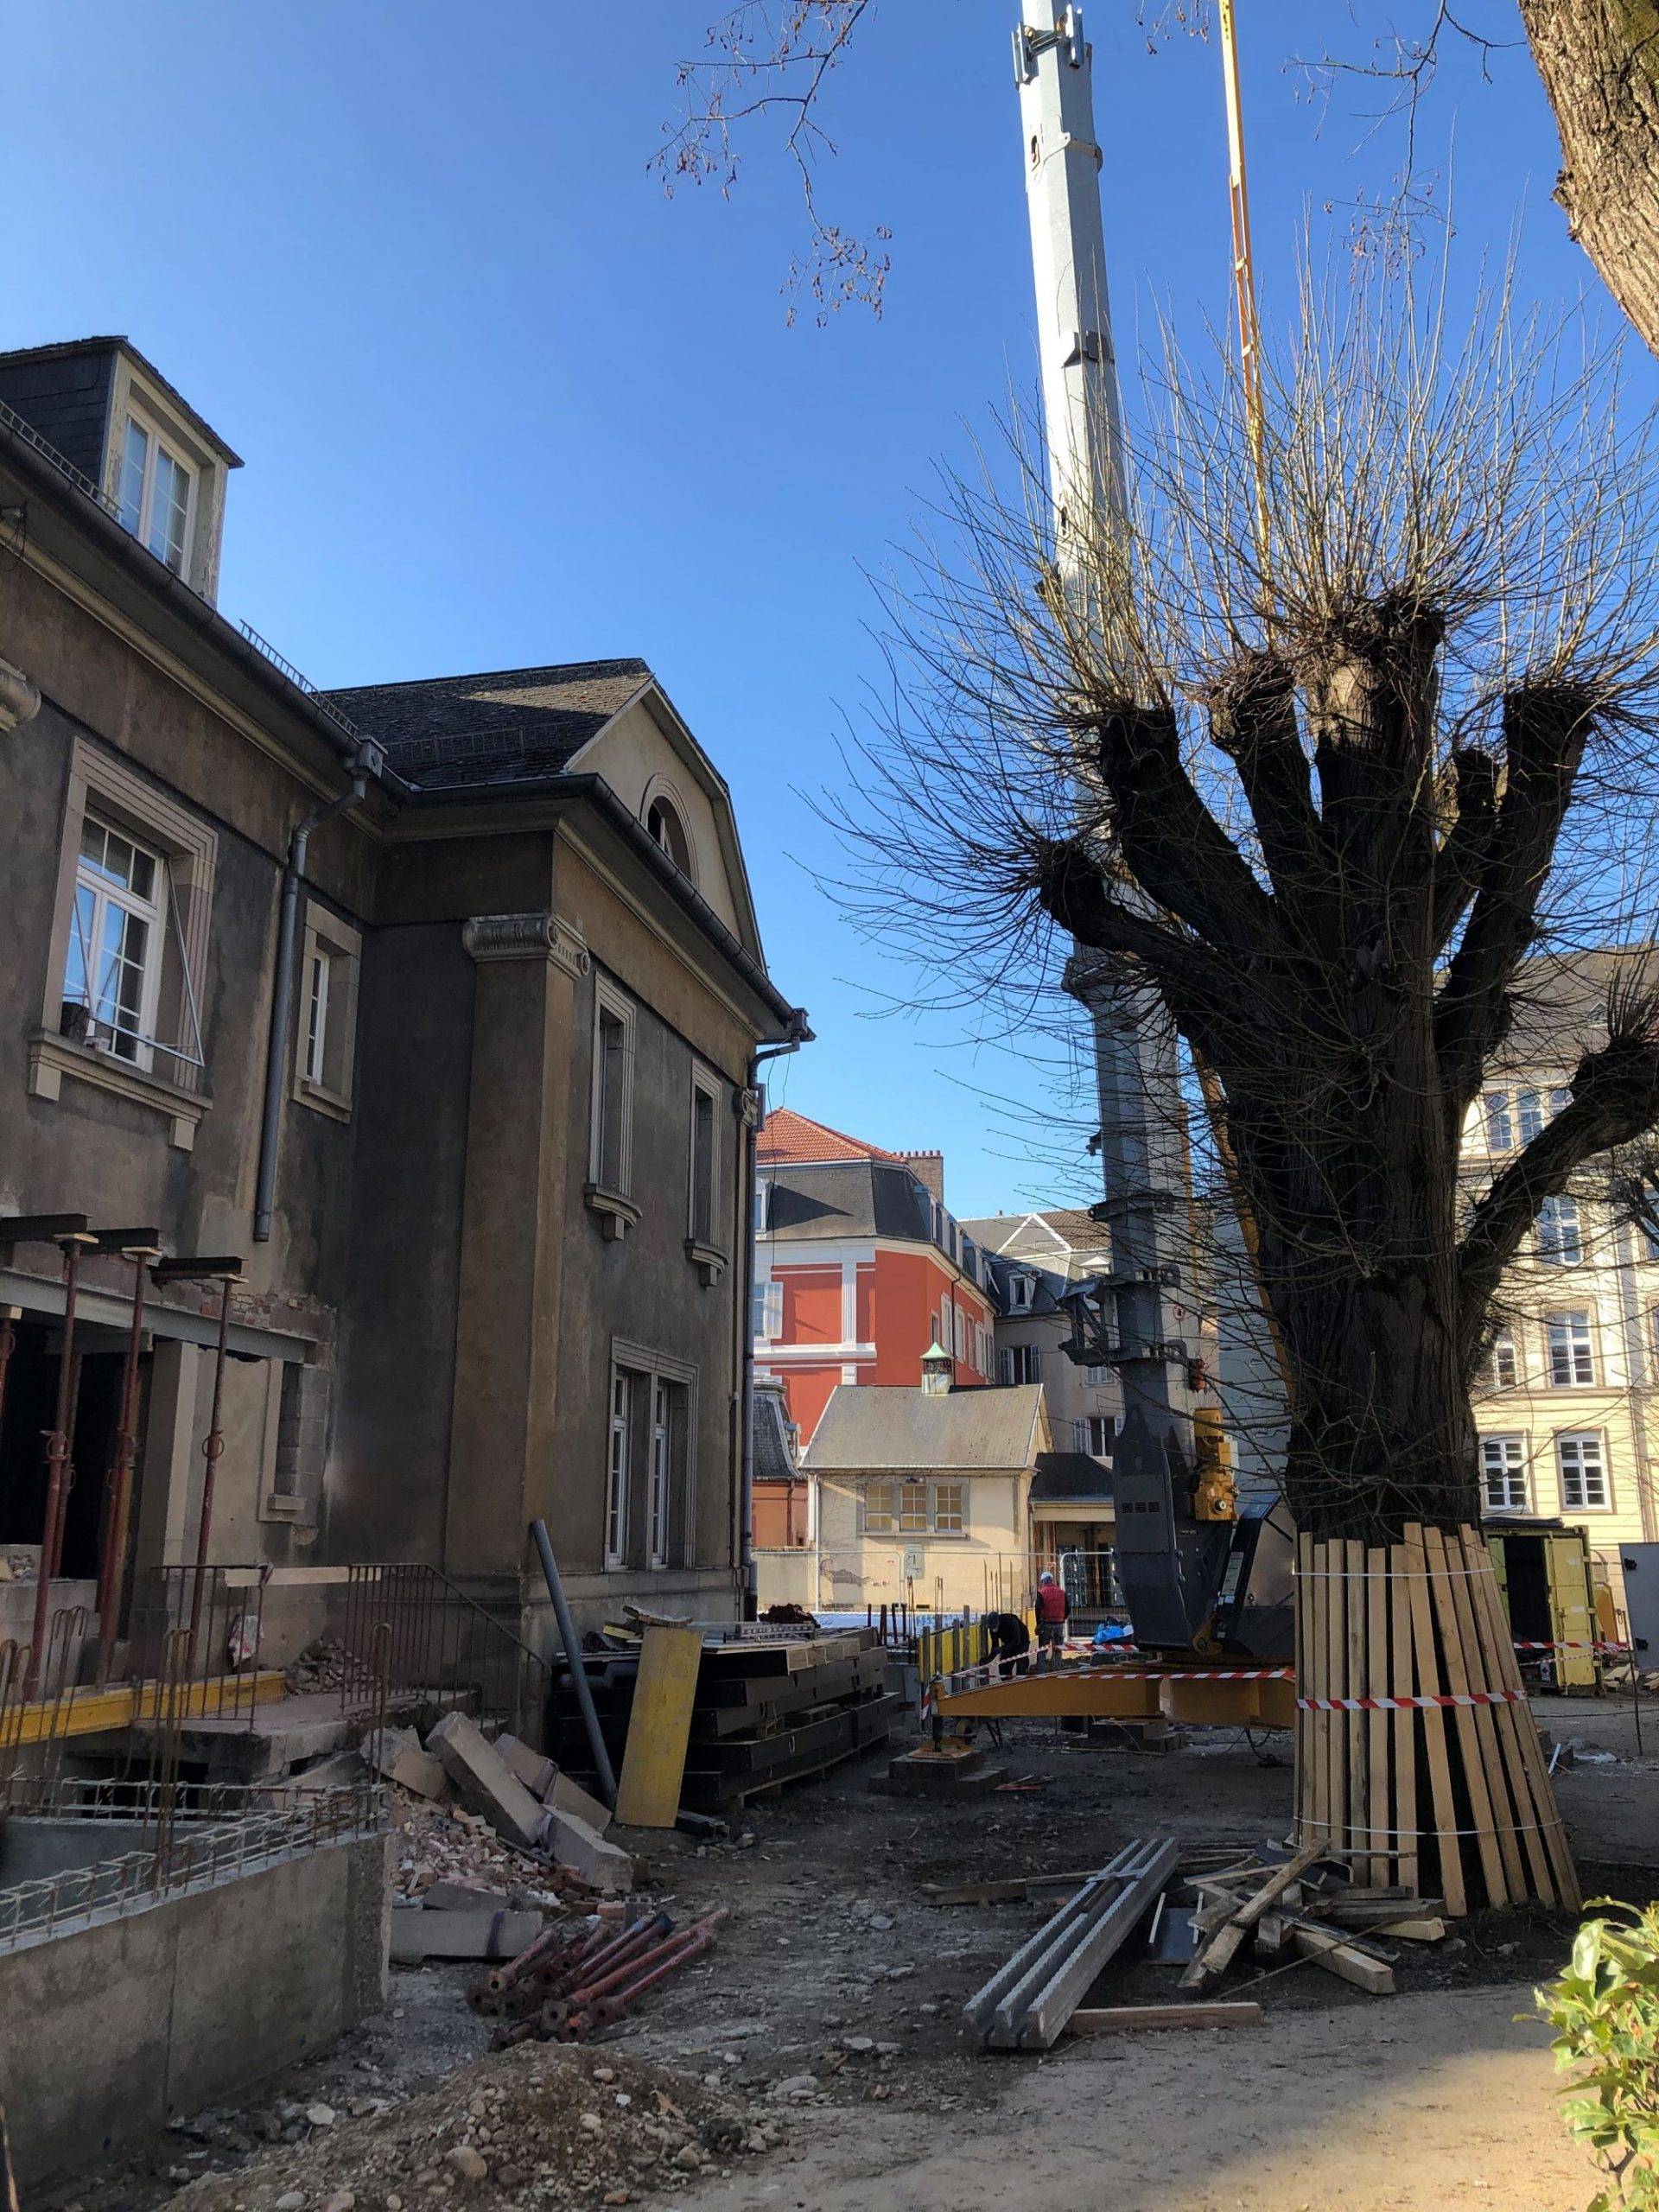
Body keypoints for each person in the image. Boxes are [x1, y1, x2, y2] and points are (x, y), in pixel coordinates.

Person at [983, 1610, 1031, 1679]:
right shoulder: (992, 1628)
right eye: (991, 1628)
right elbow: (995, 1644)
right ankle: (1007, 1684)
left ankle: (1021, 1684)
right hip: (1008, 1644)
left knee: (1021, 1667)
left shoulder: (1010, 1621)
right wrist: (990, 1658)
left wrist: (1002, 1649)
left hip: (1022, 1642)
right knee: (1003, 1668)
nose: (993, 1629)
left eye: (994, 1627)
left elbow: (1016, 1640)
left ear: (998, 1622)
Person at [1034, 1571, 1069, 1661]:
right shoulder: (1062, 1592)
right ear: (1052, 1580)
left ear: (1043, 1581)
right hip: (1059, 1624)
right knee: (1058, 1649)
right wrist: (1063, 1618)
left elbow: (1038, 1609)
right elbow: (1068, 1607)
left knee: (1042, 1649)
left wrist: (1038, 1624)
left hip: (1046, 1624)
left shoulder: (1041, 1592)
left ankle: (1041, 1672)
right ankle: (1057, 1671)